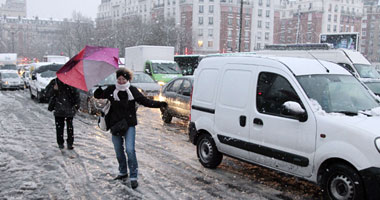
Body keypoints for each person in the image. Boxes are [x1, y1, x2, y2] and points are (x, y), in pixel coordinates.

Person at [94, 68, 167, 189]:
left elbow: (145, 101)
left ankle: (133, 176)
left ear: (128, 79)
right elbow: (99, 96)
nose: (121, 81)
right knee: (118, 150)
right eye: (119, 79)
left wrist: (160, 104)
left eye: (123, 79)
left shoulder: (132, 90)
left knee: (130, 150)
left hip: (129, 125)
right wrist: (99, 89)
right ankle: (123, 172)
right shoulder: (112, 89)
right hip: (115, 124)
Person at [46, 78, 80, 150]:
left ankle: (66, 143)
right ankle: (64, 143)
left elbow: (76, 95)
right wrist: (54, 89)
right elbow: (47, 94)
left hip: (65, 109)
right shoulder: (56, 82)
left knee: (64, 127)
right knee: (64, 127)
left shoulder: (69, 82)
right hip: (62, 109)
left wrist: (76, 106)